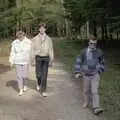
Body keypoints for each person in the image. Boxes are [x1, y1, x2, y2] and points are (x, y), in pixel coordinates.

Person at [74, 38, 104, 115]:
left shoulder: (99, 52)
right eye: (91, 43)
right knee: (86, 90)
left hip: (95, 75)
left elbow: (102, 62)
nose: (92, 45)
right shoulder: (83, 52)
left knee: (94, 91)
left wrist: (100, 70)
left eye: (94, 44)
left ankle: (96, 107)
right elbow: (78, 61)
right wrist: (77, 72)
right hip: (86, 75)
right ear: (88, 43)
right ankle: (86, 101)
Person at [31, 22, 54, 97]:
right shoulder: (34, 39)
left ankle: (43, 90)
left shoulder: (49, 39)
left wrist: (51, 59)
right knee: (38, 74)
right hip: (38, 58)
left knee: (44, 75)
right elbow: (32, 50)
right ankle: (38, 82)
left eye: (43, 28)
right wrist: (32, 60)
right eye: (40, 28)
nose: (42, 29)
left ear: (45, 29)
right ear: (39, 29)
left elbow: (51, 49)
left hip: (46, 58)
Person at [9, 31, 32, 96]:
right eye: (18, 36)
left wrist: (32, 60)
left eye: (21, 35)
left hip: (25, 61)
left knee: (24, 76)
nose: (20, 37)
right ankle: (20, 89)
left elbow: (31, 52)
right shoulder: (14, 43)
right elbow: (12, 52)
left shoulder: (29, 42)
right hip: (17, 61)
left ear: (24, 35)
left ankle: (25, 85)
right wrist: (11, 61)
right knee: (19, 76)